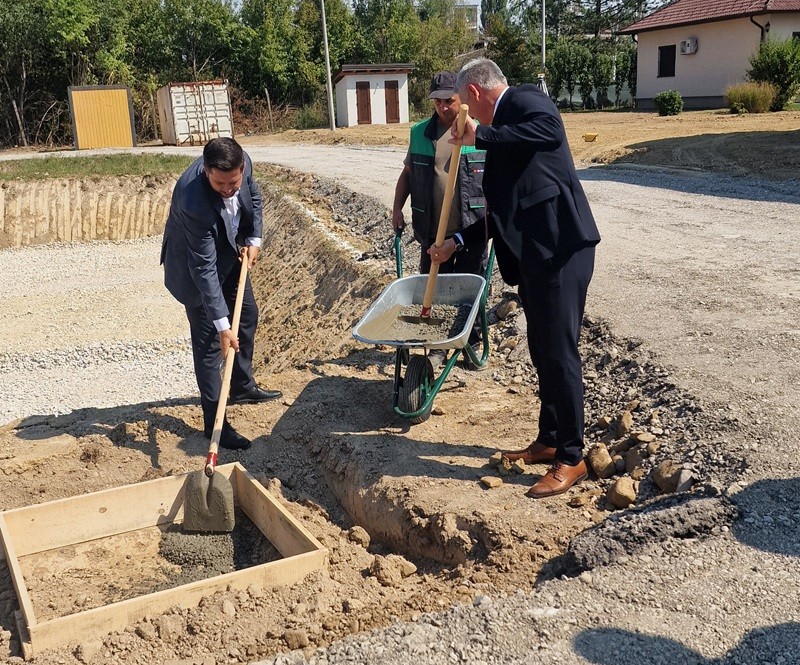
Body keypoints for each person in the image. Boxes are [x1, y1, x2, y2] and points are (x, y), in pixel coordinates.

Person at [430, 58, 601, 498]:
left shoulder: (525, 99)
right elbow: (499, 213)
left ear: (473, 94)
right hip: (536, 258)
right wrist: (457, 241)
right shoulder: (501, 132)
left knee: (560, 354)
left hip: (561, 251)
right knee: (542, 351)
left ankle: (572, 456)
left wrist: (481, 134)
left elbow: (551, 130)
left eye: (460, 104)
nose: (464, 116)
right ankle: (548, 439)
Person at [161, 137, 282, 451]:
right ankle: (215, 423)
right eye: (220, 183)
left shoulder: (244, 164)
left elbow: (252, 194)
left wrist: (254, 237)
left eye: (233, 182)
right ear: (205, 170)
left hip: (232, 253)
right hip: (194, 270)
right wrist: (222, 326)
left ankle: (241, 386)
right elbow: (203, 268)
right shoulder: (193, 201)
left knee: (248, 315)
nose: (229, 189)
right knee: (211, 346)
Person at [392, 71, 488, 366]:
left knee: (470, 288)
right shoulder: (420, 132)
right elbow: (408, 175)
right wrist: (397, 208)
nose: (443, 106)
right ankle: (437, 347)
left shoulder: (478, 131)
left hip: (470, 228)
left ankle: (470, 341)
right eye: (437, 101)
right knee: (434, 291)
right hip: (432, 230)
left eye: (449, 100)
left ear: (462, 99)